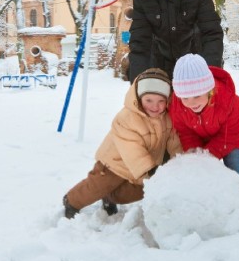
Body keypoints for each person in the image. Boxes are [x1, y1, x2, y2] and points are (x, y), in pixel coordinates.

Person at [63, 68, 183, 219]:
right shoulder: (127, 118)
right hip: (114, 164)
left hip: (139, 168)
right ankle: (72, 201)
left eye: (161, 101)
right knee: (95, 188)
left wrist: (179, 162)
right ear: (139, 98)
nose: (155, 106)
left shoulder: (167, 118)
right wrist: (151, 170)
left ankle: (109, 197)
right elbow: (132, 148)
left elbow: (174, 141)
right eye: (149, 100)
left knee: (138, 191)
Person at [169, 53, 239, 213]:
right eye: (185, 98)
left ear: (209, 90)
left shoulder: (229, 101)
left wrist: (209, 155)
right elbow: (185, 133)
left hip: (230, 138)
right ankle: (205, 206)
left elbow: (231, 134)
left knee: (234, 164)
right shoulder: (177, 105)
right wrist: (197, 154)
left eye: (196, 96)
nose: (191, 103)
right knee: (196, 167)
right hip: (199, 135)